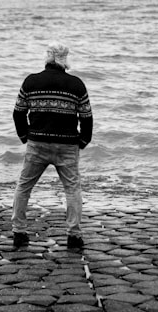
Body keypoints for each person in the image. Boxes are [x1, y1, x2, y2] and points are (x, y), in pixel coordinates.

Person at [11, 42, 93, 249]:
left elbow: (18, 112)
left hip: (37, 144)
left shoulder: (31, 81)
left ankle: (19, 232)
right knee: (72, 189)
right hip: (67, 146)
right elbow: (87, 117)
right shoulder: (76, 84)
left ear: (47, 57)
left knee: (24, 187)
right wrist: (82, 141)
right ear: (65, 59)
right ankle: (74, 235)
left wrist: (25, 137)